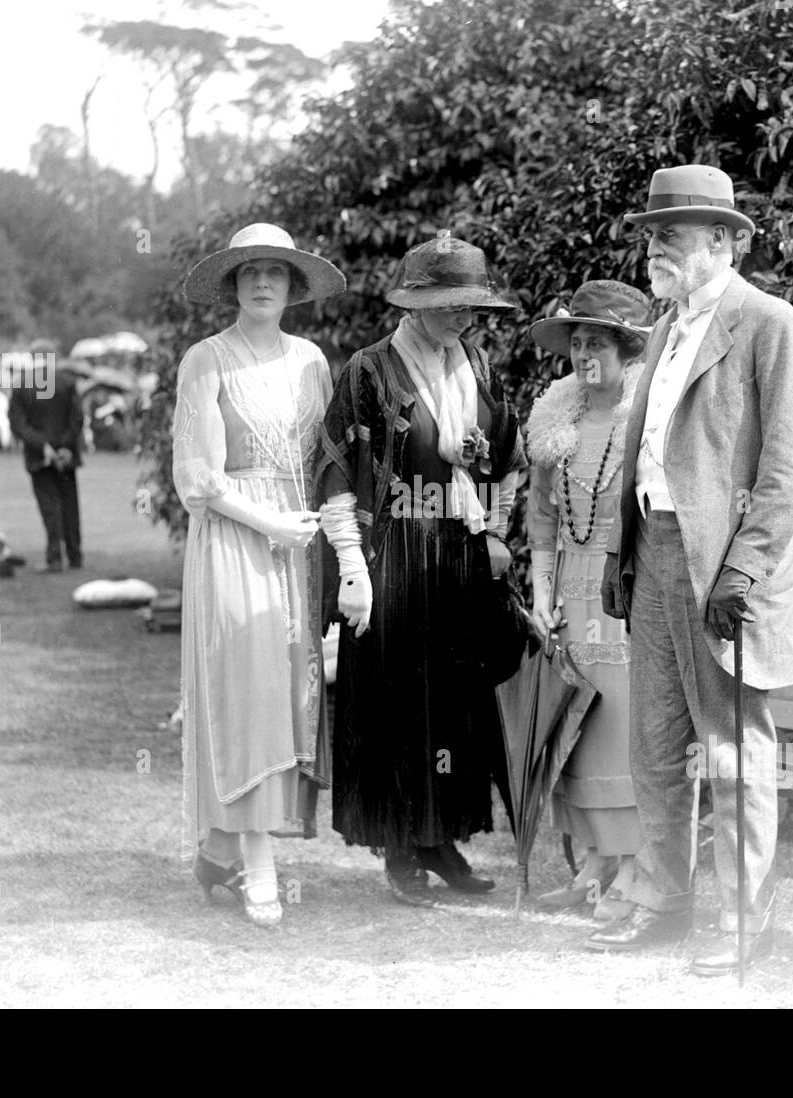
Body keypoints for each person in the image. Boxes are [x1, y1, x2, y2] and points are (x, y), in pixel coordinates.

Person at [594, 165, 793, 973]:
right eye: (652, 232)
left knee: (732, 749)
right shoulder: (660, 330)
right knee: (654, 745)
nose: (655, 246)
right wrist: (624, 553)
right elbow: (646, 453)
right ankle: (663, 901)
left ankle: (739, 919)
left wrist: (743, 573)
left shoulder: (770, 324)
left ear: (722, 241)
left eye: (673, 233)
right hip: (655, 554)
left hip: (725, 569)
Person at [315, 235, 526, 906]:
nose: (465, 319)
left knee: (454, 708)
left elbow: (506, 459)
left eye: (472, 307)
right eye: (451, 306)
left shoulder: (477, 365)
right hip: (394, 554)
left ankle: (442, 840)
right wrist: (352, 567)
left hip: (457, 554)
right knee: (397, 704)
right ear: (418, 304)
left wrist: (487, 498)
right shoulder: (371, 372)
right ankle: (400, 846)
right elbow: (338, 477)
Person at [174, 222, 346, 927]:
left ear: (294, 285)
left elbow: (330, 459)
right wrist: (267, 523)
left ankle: (221, 848)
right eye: (249, 273)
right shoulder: (206, 361)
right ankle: (258, 865)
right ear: (233, 285)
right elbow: (196, 478)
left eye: (276, 271)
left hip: (299, 537)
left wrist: (324, 538)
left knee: (289, 691)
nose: (264, 283)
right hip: (235, 537)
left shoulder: (313, 361)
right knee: (246, 691)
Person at [525, 280, 650, 922]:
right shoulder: (556, 424)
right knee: (578, 725)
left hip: (625, 592)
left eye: (596, 341)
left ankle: (633, 869)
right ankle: (596, 862)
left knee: (624, 727)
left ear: (627, 350)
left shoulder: (647, 424)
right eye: (576, 342)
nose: (583, 353)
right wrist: (542, 593)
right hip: (572, 594)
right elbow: (542, 519)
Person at [8, 360, 85, 572]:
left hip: (39, 456)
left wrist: (43, 447)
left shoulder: (22, 384)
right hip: (66, 455)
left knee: (50, 507)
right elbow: (77, 417)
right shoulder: (67, 381)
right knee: (70, 505)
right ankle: (75, 555)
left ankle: (55, 558)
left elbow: (18, 424)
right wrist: (64, 446)